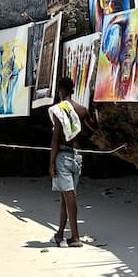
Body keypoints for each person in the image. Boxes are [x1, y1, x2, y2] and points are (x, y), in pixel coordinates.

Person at [48, 77, 99, 247]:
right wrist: (96, 114)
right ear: (73, 90)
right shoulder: (82, 110)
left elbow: (55, 139)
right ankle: (60, 234)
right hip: (78, 157)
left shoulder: (58, 110)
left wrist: (51, 163)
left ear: (60, 91)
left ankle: (75, 237)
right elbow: (93, 128)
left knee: (69, 197)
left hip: (63, 155)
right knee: (65, 197)